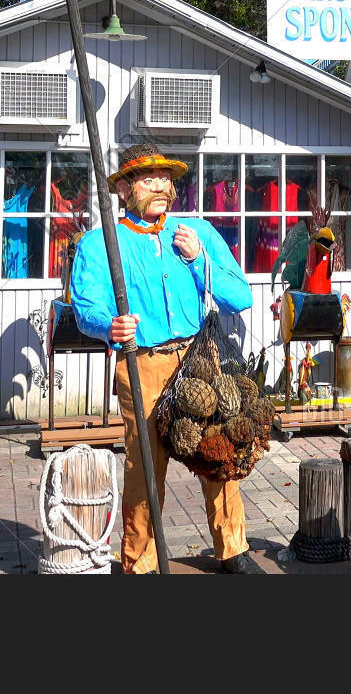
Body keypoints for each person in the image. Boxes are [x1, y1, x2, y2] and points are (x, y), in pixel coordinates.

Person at [68, 145, 261, 574]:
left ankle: (233, 550)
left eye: (165, 178)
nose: (159, 186)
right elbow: (86, 307)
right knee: (145, 466)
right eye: (147, 178)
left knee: (218, 451)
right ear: (123, 189)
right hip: (143, 364)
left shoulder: (196, 233)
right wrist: (109, 326)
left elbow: (239, 297)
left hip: (200, 359)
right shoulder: (101, 244)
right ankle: (140, 563)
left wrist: (199, 260)